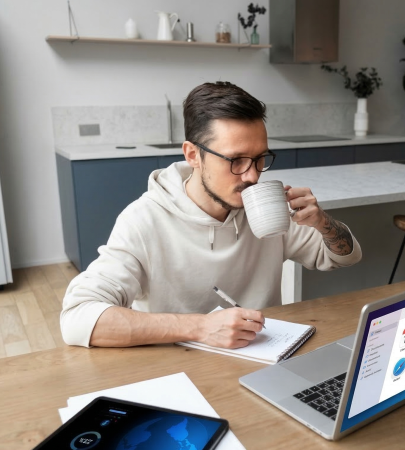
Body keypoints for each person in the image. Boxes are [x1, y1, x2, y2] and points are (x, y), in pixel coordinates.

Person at [60, 81, 362, 349]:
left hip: (263, 358)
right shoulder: (144, 220)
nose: (252, 176)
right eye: (236, 160)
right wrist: (201, 328)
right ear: (193, 155)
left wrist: (323, 223)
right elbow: (77, 317)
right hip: (175, 368)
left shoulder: (264, 209)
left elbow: (344, 257)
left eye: (260, 159)